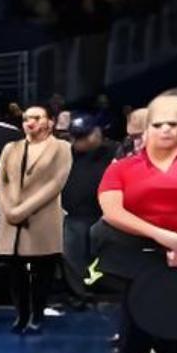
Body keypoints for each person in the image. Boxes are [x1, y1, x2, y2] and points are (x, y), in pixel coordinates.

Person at [99, 90, 177, 353]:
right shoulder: (121, 168)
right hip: (137, 262)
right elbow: (112, 212)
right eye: (156, 125)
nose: (164, 130)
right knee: (134, 344)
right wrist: (165, 237)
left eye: (172, 124)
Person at [0, 105, 72, 335]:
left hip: (42, 217)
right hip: (11, 218)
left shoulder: (61, 148)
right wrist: (8, 208)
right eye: (26, 118)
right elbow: (0, 179)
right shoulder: (11, 148)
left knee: (42, 272)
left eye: (36, 118)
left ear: (50, 121)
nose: (30, 122)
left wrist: (23, 210)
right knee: (15, 273)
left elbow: (56, 183)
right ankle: (21, 315)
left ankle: (37, 315)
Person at [62, 113, 115, 309]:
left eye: (83, 136)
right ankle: (79, 296)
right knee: (72, 258)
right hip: (75, 215)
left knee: (107, 259)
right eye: (75, 137)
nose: (78, 141)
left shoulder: (113, 152)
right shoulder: (66, 155)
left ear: (96, 133)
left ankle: (109, 296)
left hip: (106, 216)